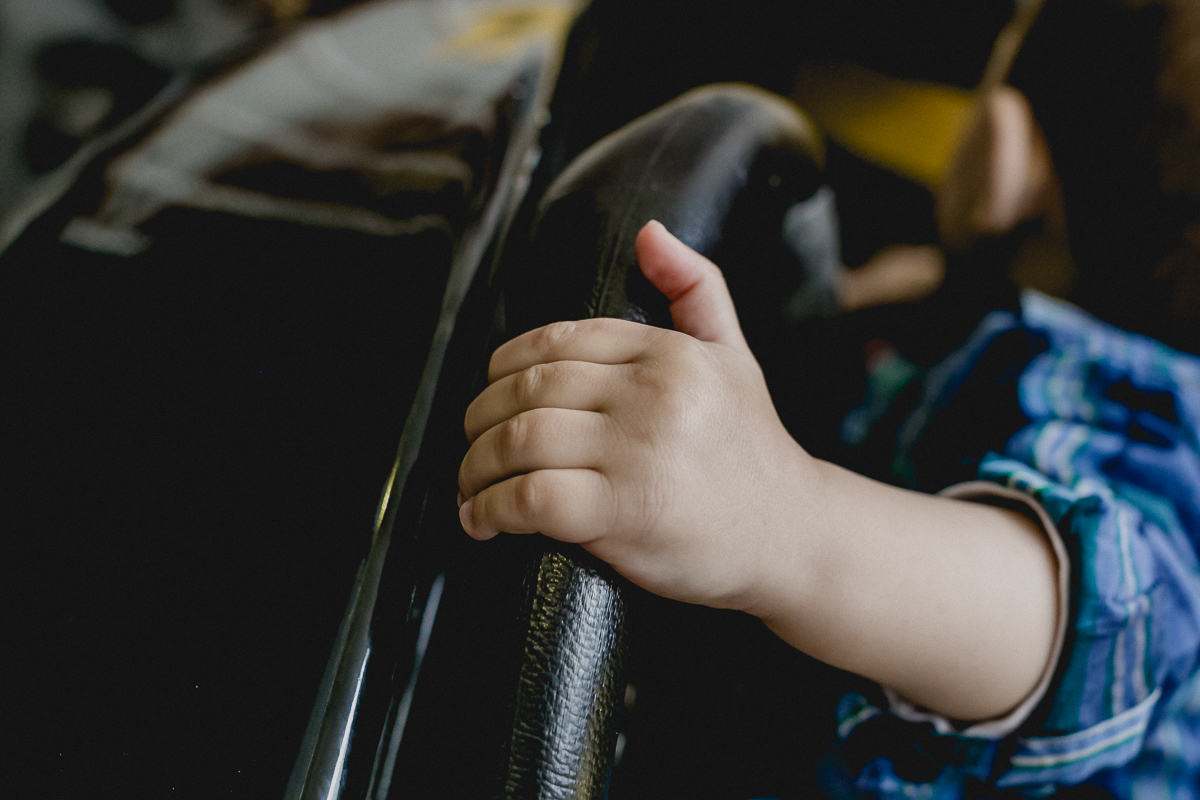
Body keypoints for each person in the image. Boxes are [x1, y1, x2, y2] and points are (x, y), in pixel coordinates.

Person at [456, 210, 1200, 800]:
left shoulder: (1163, 428)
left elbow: (1102, 621)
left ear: (1008, 141)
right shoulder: (942, 304)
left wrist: (782, 514)